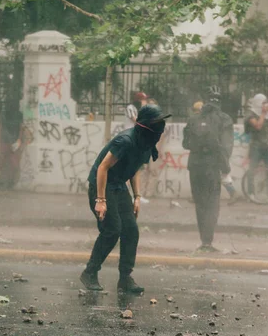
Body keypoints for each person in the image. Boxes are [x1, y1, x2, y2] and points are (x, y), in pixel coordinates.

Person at [80, 104, 171, 293]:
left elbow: (134, 169)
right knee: (112, 229)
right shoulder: (126, 141)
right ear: (145, 126)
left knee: (131, 230)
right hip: (102, 186)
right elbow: (103, 167)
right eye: (156, 124)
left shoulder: (146, 144)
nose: (159, 129)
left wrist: (137, 196)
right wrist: (101, 200)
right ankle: (90, 272)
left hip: (120, 186)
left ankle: (125, 278)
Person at [183, 86, 233, 252]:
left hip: (195, 165)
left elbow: (185, 143)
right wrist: (225, 168)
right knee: (213, 203)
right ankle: (208, 241)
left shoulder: (194, 119)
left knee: (200, 203)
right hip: (212, 166)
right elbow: (226, 146)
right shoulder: (224, 119)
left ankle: (202, 241)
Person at [192, 101, 238, 205]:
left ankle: (233, 193)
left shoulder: (213, 120)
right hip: (219, 150)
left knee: (220, 174)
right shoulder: (219, 118)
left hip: (218, 151)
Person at [244, 94, 268, 201]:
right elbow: (258, 126)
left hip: (266, 145)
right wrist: (263, 113)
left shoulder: (266, 114)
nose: (265, 105)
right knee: (252, 170)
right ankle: (251, 193)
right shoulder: (250, 114)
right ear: (258, 103)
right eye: (263, 103)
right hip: (255, 147)